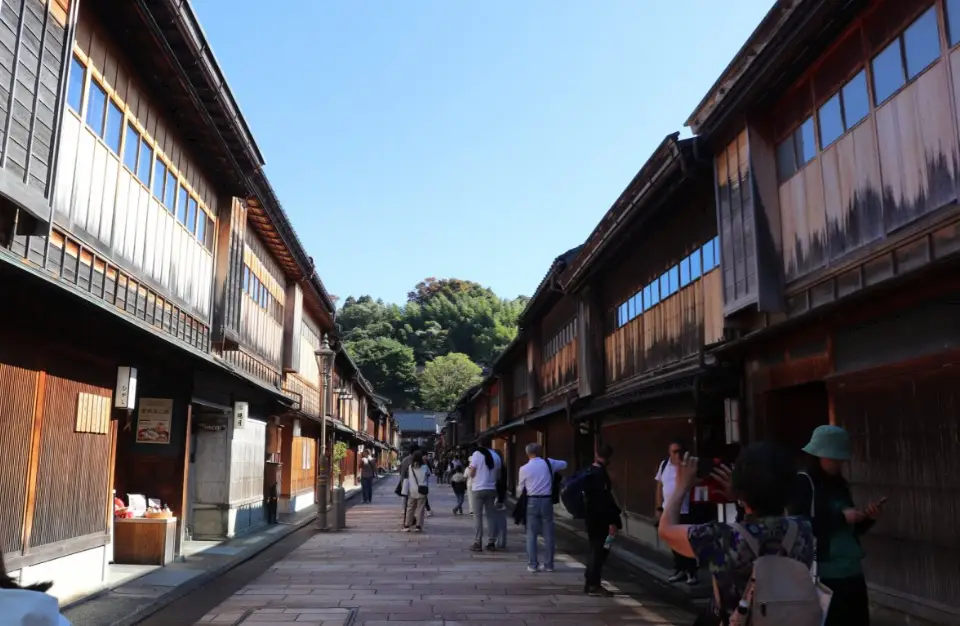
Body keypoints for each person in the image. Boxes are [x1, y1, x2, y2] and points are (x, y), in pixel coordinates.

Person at [658, 442, 815, 625]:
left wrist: (681, 487)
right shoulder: (803, 530)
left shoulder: (720, 537)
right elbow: (773, 522)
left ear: (741, 485)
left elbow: (666, 530)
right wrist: (742, 498)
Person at [789, 425, 884, 626]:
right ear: (818, 456)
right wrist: (841, 519)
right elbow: (799, 527)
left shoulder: (840, 484)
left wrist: (866, 518)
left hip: (852, 569)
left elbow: (851, 531)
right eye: (832, 458)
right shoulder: (804, 483)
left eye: (839, 460)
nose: (837, 464)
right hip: (824, 572)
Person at [517, 442, 567, 572]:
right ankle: (549, 564)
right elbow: (564, 464)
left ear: (527, 453)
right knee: (548, 533)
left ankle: (533, 564)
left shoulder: (524, 468)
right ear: (539, 452)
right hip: (547, 500)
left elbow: (520, 488)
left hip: (532, 501)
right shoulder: (549, 463)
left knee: (531, 534)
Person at [655, 438, 698, 584]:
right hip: (669, 509)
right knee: (673, 541)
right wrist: (659, 507)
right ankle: (680, 569)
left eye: (679, 451)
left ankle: (691, 572)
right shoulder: (664, 465)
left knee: (687, 541)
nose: (677, 455)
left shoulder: (687, 466)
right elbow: (659, 487)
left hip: (685, 509)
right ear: (669, 452)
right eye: (674, 452)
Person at [582, 444, 622, 596]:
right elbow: (605, 501)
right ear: (610, 457)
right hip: (601, 518)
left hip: (590, 516)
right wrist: (612, 521)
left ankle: (590, 583)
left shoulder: (590, 470)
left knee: (595, 549)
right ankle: (594, 584)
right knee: (599, 551)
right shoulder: (600, 475)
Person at [467, 443, 502, 551]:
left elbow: (472, 472)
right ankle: (491, 542)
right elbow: (499, 475)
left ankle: (478, 542)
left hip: (478, 489)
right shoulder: (496, 456)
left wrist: (470, 473)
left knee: (477, 516)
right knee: (491, 516)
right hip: (491, 489)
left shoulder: (477, 454)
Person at [403, 450, 429, 532]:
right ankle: (418, 525)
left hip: (412, 490)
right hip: (422, 489)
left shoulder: (410, 467)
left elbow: (407, 477)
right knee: (420, 508)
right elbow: (428, 475)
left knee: (410, 508)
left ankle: (407, 525)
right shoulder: (425, 467)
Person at [398, 444, 420, 530]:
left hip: (406, 484)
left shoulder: (404, 460)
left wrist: (402, 483)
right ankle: (410, 520)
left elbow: (401, 473)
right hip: (415, 485)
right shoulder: (417, 461)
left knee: (408, 504)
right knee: (413, 504)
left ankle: (407, 521)